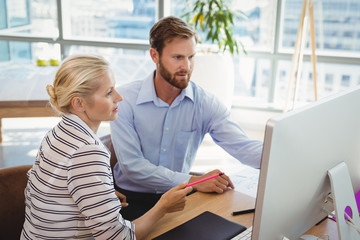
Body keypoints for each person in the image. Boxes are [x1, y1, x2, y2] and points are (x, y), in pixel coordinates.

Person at [21, 54, 193, 240]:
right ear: (79, 103)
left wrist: (100, 195)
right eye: (109, 92)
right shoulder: (88, 151)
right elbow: (118, 237)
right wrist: (163, 207)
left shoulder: (56, 133)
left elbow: (51, 193)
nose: (119, 97)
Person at [110, 16, 263, 221]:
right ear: (154, 55)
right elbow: (132, 167)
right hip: (132, 200)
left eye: (191, 57)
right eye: (178, 57)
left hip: (179, 197)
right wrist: (193, 181)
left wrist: (289, 156)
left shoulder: (204, 103)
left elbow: (244, 147)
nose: (187, 66)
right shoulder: (125, 99)